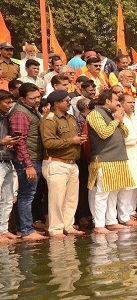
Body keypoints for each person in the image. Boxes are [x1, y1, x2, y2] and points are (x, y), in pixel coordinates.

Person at [86, 90, 135, 234]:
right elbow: (103, 133)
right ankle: (99, 224)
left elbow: (125, 133)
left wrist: (119, 120)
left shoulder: (112, 115)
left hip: (118, 159)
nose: (119, 105)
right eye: (116, 102)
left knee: (114, 192)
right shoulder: (95, 114)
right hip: (104, 159)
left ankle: (111, 221)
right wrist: (115, 121)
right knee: (102, 193)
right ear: (107, 101)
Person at [39, 90, 86, 237]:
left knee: (71, 198)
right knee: (57, 199)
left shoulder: (70, 118)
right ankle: (56, 229)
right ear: (56, 103)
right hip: (56, 162)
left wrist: (78, 139)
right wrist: (72, 140)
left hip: (72, 162)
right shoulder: (50, 119)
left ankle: (68, 225)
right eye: (65, 100)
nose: (68, 102)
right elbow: (48, 142)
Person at [8, 83, 46, 239]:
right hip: (27, 159)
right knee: (26, 195)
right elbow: (20, 141)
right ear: (22, 98)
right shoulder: (20, 114)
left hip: (33, 157)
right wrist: (28, 164)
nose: (37, 100)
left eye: (38, 96)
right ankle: (26, 230)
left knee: (29, 194)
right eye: (33, 98)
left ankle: (24, 228)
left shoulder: (29, 110)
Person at [117, 94, 137, 225]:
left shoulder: (136, 119)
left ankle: (130, 212)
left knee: (134, 185)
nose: (132, 105)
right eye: (129, 102)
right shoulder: (119, 118)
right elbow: (120, 138)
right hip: (125, 156)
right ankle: (123, 217)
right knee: (126, 187)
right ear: (121, 104)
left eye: (134, 102)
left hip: (136, 154)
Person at [0, 90, 19, 243]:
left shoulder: (6, 118)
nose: (10, 105)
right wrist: (2, 142)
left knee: (7, 199)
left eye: (11, 102)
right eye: (7, 102)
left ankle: (3, 230)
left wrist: (10, 145)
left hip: (7, 161)